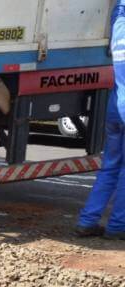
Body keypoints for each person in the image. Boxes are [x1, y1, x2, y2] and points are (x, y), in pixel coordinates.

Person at [76, 0, 125, 240]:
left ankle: (87, 221)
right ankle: (118, 226)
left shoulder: (119, 22)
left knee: (110, 166)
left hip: (115, 107)